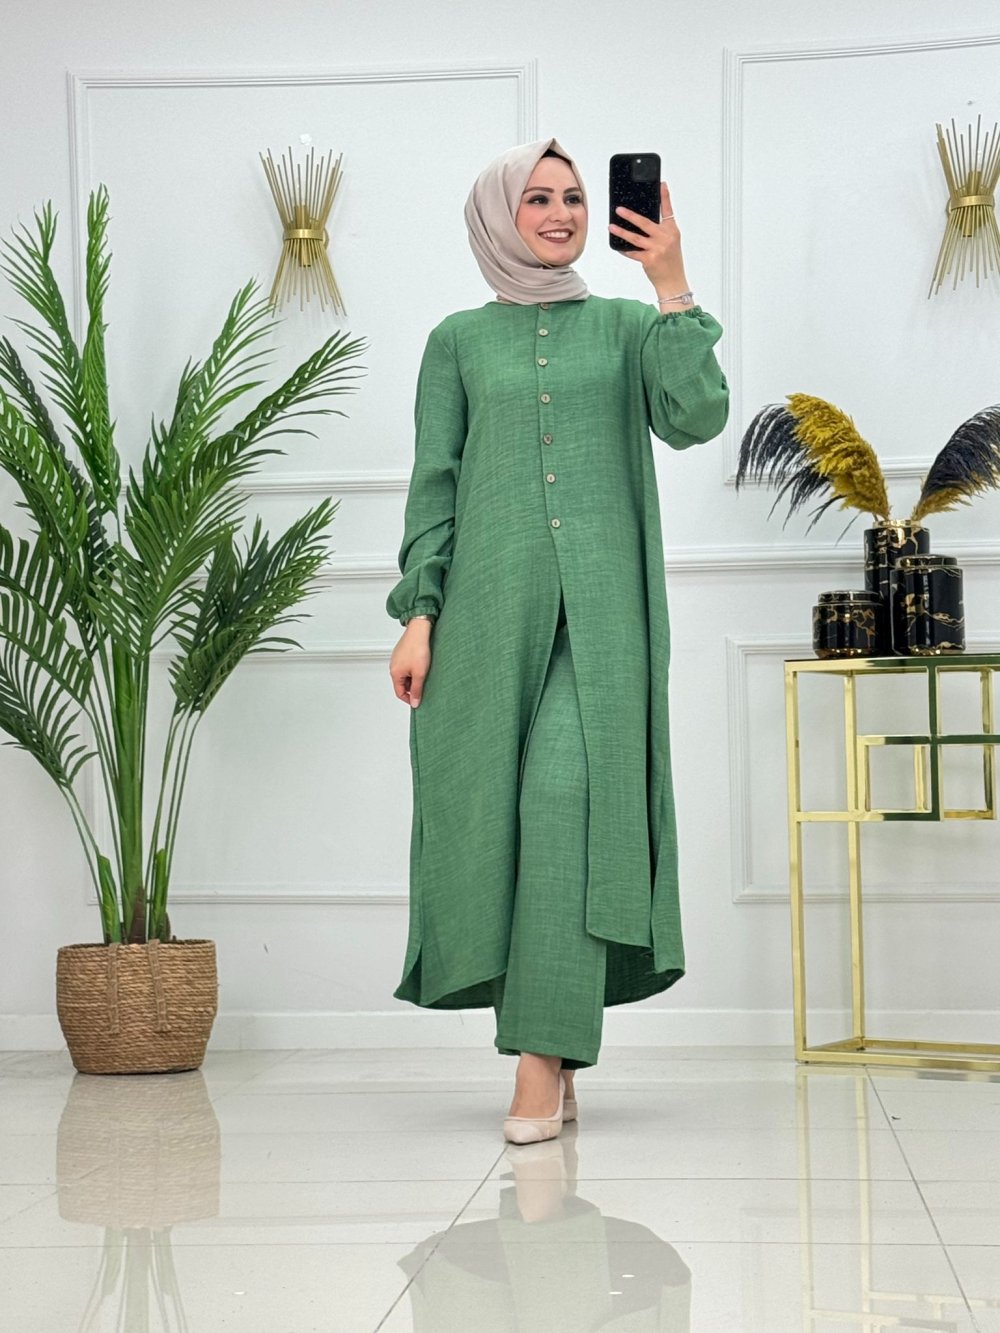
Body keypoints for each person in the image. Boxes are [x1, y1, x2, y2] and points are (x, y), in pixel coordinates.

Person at [386, 137, 728, 1143]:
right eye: (536, 198)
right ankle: (560, 1040)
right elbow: (435, 483)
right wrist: (418, 615)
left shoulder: (627, 327)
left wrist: (669, 280)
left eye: (573, 197)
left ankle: (537, 1063)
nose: (561, 213)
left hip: (605, 622)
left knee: (568, 801)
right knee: (504, 824)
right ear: (499, 215)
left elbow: (697, 416)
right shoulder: (456, 342)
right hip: (486, 622)